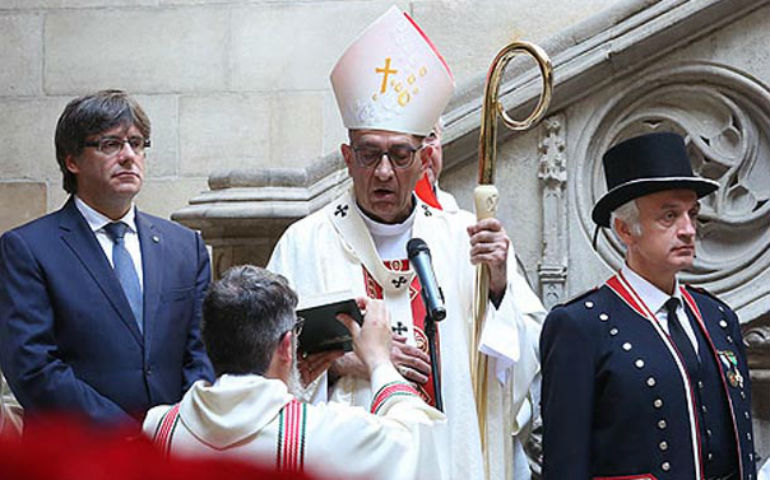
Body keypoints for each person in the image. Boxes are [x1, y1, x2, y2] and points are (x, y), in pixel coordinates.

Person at [267, 6, 545, 479]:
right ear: (346, 157)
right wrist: (350, 363)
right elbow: (264, 370)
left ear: (424, 159)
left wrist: (497, 287)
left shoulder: (464, 240)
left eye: (399, 155)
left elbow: (522, 363)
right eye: (369, 153)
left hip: (449, 457)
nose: (382, 172)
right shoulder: (304, 243)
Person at [540, 132, 757, 479]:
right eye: (669, 216)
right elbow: (565, 465)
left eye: (693, 214)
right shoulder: (581, 326)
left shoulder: (718, 318)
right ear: (626, 231)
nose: (688, 230)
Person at [0, 90, 214, 427]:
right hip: (80, 457)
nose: (129, 156)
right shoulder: (27, 249)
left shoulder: (185, 247)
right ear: (72, 160)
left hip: (176, 452)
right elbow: (33, 366)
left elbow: (202, 350)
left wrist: (184, 425)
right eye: (110, 144)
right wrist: (130, 436)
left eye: (137, 143)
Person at [143, 265, 447, 480]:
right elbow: (418, 437)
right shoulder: (322, 434)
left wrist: (291, 385)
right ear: (287, 345)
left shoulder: (159, 428)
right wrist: (379, 360)